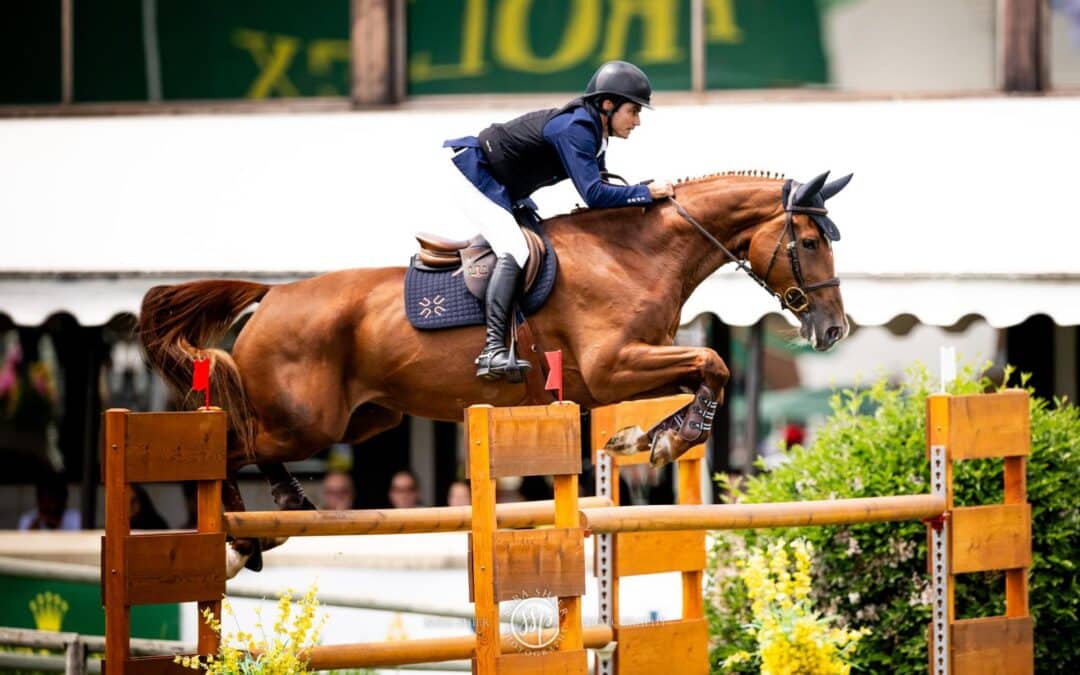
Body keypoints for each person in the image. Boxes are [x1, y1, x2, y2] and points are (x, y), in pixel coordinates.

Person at [442, 60, 674, 380]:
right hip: (473, 174)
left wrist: (639, 198)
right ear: (607, 105)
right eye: (633, 111)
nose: (637, 121)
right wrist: (645, 193)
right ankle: (492, 350)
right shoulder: (577, 129)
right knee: (516, 248)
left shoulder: (596, 133)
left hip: (504, 186)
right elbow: (594, 194)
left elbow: (603, 187)